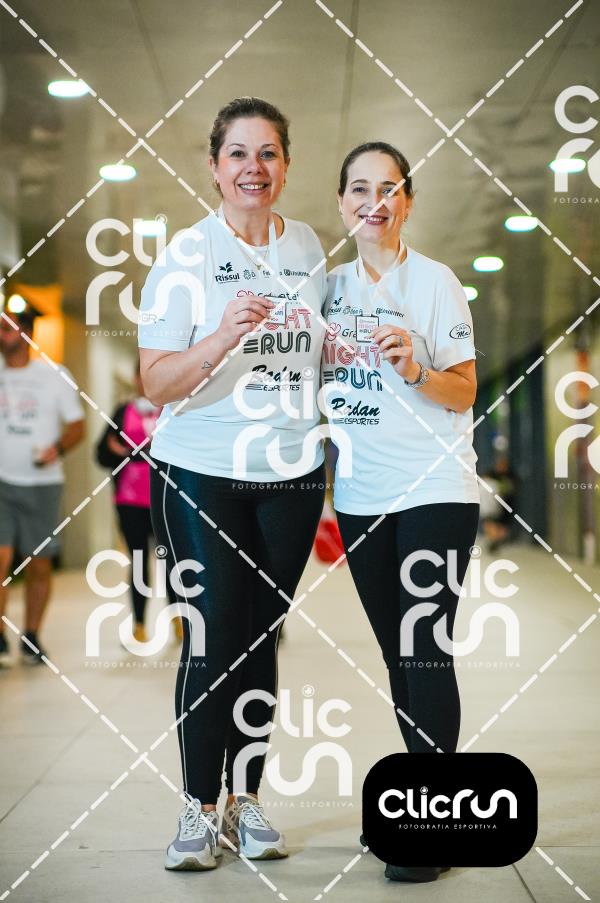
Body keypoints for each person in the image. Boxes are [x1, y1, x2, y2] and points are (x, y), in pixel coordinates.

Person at [138, 97, 327, 871]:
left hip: (291, 474)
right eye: (239, 154)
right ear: (215, 168)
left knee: (258, 636)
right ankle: (198, 806)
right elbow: (155, 381)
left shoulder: (309, 246)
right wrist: (221, 334)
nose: (255, 167)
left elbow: (315, 356)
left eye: (268, 153)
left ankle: (245, 799)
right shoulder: (185, 254)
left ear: (286, 164)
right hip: (200, 470)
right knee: (212, 634)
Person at [322, 142, 480, 883]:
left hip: (434, 488)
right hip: (361, 496)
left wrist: (415, 366)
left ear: (407, 202)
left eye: (388, 189)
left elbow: (465, 389)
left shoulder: (436, 282)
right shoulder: (327, 291)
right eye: (360, 189)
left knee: (424, 649)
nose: (373, 202)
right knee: (397, 654)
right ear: (342, 203)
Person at [0, 306, 85, 666]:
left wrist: (57, 449)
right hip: (2, 482)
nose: (1, 334)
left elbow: (77, 426)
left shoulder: (54, 375)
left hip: (43, 484)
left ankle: (32, 636)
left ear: (26, 333)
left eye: (7, 328)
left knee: (38, 564)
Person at [95, 361, 177, 644]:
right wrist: (123, 453)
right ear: (134, 378)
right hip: (130, 500)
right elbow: (102, 453)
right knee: (139, 561)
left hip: (166, 498)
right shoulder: (123, 411)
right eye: (140, 375)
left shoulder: (174, 408)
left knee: (171, 561)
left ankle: (178, 620)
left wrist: (132, 452)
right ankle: (139, 625)